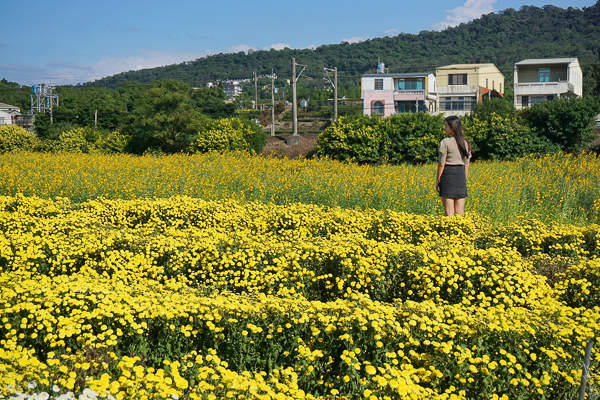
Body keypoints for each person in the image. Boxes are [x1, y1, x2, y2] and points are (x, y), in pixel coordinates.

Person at [435, 116, 472, 217]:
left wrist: (438, 180)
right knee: (460, 213)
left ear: (453, 127)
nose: (444, 128)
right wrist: (463, 179)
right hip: (461, 176)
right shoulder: (466, 143)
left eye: (446, 126)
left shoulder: (445, 142)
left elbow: (442, 164)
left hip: (448, 175)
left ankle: (450, 232)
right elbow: (467, 165)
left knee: (449, 213)